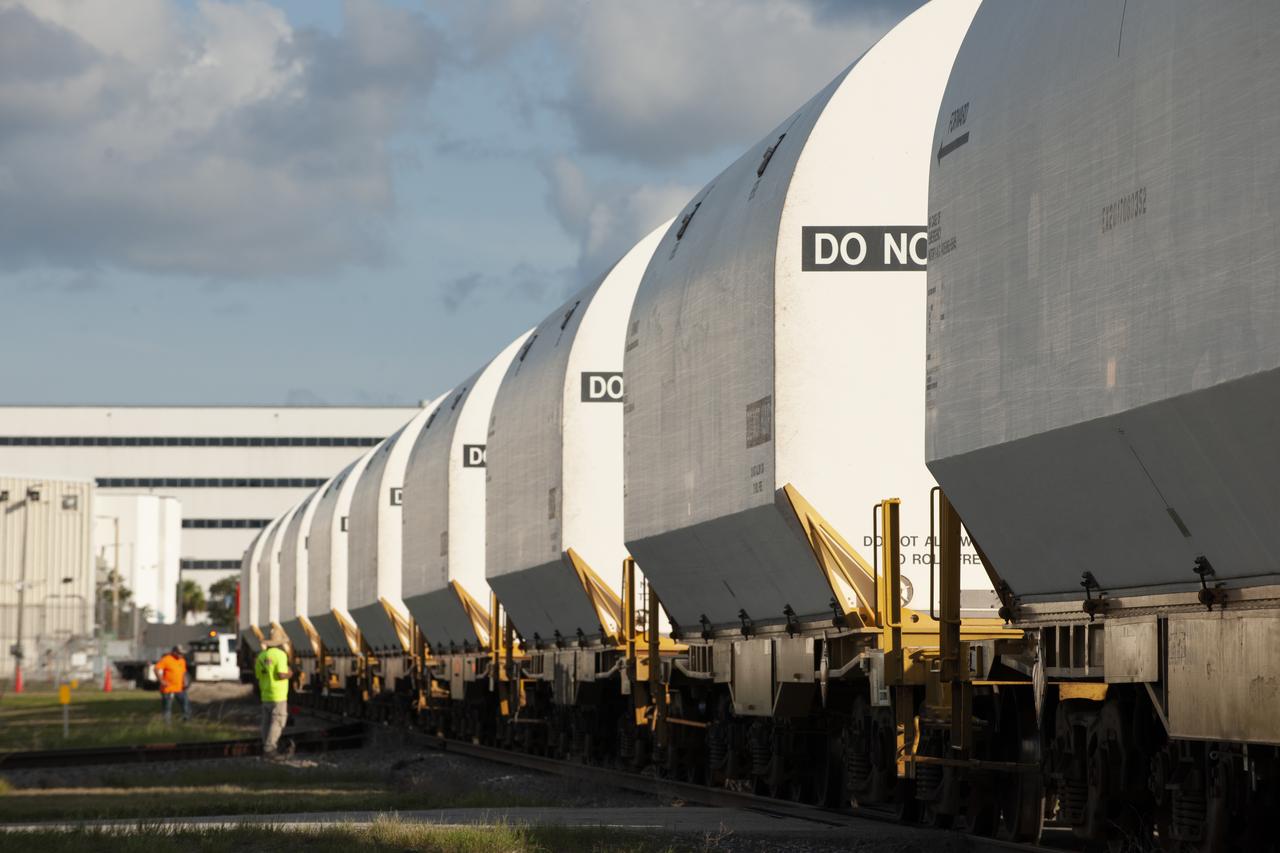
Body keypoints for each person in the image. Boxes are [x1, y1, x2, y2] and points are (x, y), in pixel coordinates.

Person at [254, 639, 290, 757]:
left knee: (266, 722)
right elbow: (281, 675)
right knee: (278, 721)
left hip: (265, 694)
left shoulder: (261, 656)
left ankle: (266, 745)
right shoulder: (280, 655)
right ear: (280, 643)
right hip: (278, 694)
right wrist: (291, 673)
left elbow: (258, 676)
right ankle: (270, 749)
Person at [153, 646, 191, 724]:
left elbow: (183, 672)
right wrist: (161, 681)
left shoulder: (182, 660)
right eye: (180, 653)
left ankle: (186, 722)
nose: (181, 655)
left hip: (180, 688)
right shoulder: (166, 659)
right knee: (167, 708)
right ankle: (167, 725)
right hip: (168, 689)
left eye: (182, 654)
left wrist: (185, 681)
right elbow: (156, 669)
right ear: (174, 652)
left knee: (186, 705)